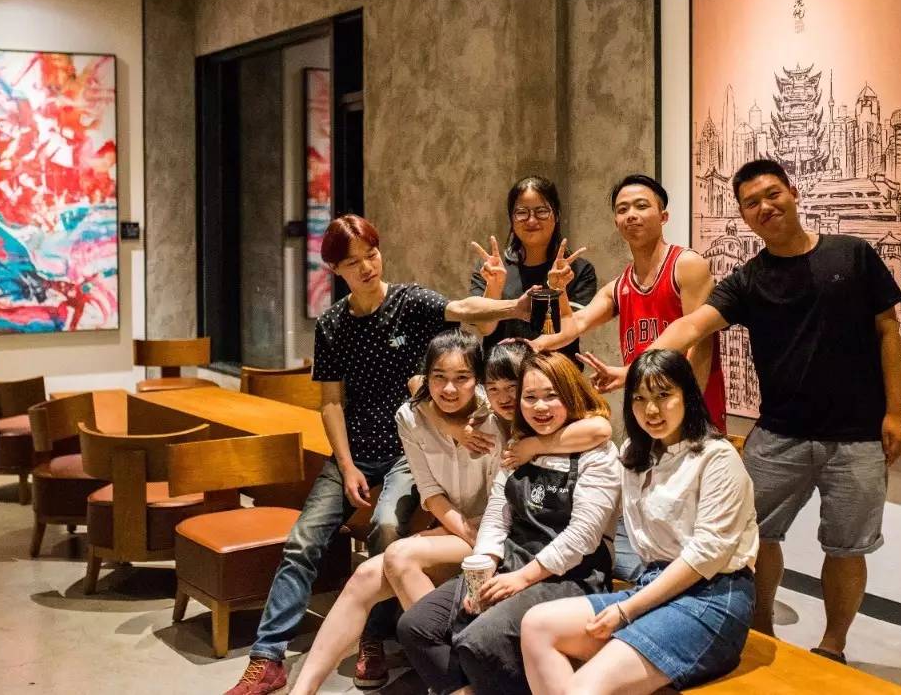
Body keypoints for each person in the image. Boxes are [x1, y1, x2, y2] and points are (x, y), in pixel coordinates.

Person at [226, 215, 536, 695]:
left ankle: (373, 638)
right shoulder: (332, 324)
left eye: (371, 254)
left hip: (404, 454)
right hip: (356, 450)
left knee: (386, 527)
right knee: (303, 540)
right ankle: (268, 657)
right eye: (353, 262)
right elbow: (331, 402)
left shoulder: (411, 303)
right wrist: (346, 465)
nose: (367, 267)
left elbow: (466, 314)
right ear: (335, 270)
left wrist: (511, 302)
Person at [650, 158, 901, 664]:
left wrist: (895, 413)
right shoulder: (749, 280)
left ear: (793, 192)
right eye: (751, 203)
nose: (765, 207)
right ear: (743, 215)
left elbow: (888, 331)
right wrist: (640, 366)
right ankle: (762, 626)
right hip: (777, 434)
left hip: (856, 437)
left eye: (772, 194)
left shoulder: (852, 254)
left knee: (847, 547)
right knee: (753, 533)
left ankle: (833, 647)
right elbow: (693, 325)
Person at [286, 335, 611, 695]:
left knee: (399, 558)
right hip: (469, 530)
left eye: (463, 377)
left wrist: (532, 444)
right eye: (438, 377)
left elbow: (599, 428)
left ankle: (449, 674)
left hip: (508, 537)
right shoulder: (414, 415)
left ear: (477, 381)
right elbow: (431, 491)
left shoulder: (504, 416)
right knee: (368, 575)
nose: (450, 388)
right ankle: (303, 690)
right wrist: (475, 542)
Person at [521, 350, 758, 695]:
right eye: (639, 398)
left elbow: (706, 556)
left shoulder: (716, 457)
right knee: (537, 626)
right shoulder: (635, 451)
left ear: (688, 396)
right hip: (653, 584)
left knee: (584, 687)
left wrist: (627, 610)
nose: (651, 410)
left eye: (663, 395)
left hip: (714, 596)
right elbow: (596, 433)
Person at [532, 172, 726, 581]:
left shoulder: (686, 265)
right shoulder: (621, 284)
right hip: (648, 416)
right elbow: (574, 325)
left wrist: (692, 414)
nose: (631, 215)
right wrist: (557, 295)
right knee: (657, 517)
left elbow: (701, 341)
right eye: (622, 209)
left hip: (693, 413)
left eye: (641, 206)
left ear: (663, 215)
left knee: (697, 520)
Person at [397, 352, 620, 695]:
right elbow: (497, 516)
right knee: (417, 626)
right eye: (529, 397)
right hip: (512, 562)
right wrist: (485, 567)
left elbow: (583, 537)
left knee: (481, 640)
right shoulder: (518, 448)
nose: (540, 407)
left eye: (551, 396)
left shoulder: (598, 455)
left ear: (571, 395)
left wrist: (521, 579)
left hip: (572, 576)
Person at [470, 176, 597, 364]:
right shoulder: (491, 268)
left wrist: (558, 289)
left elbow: (571, 328)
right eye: (522, 212)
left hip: (555, 376)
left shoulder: (579, 270)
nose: (531, 220)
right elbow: (485, 328)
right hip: (501, 375)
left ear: (557, 215)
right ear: (511, 218)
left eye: (541, 211)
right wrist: (494, 286)